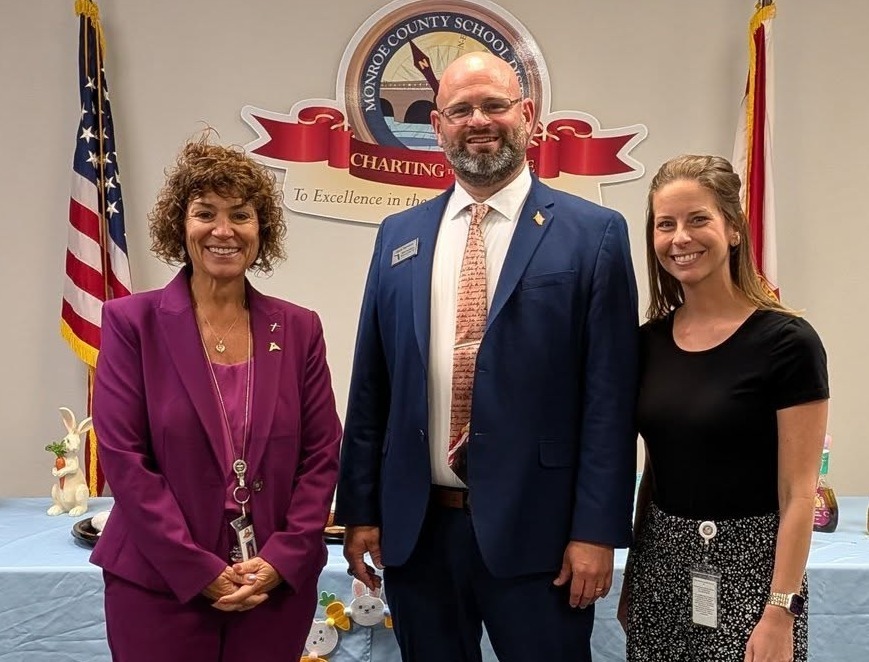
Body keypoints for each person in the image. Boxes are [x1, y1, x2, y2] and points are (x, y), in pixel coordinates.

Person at [335, 52, 639, 662]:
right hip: (419, 532)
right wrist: (360, 511)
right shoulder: (398, 235)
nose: (478, 121)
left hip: (543, 536)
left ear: (527, 114)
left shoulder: (594, 234)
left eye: (494, 105)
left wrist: (596, 531)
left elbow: (610, 399)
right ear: (438, 125)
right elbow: (372, 384)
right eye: (460, 110)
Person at [90, 137, 342, 661]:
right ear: (179, 226)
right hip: (159, 585)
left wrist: (282, 558)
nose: (223, 231)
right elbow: (124, 460)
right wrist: (196, 568)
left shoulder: (299, 329)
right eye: (205, 213)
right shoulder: (131, 323)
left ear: (260, 230)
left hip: (270, 588)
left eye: (240, 215)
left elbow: (321, 456)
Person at [618, 154, 829, 661]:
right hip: (661, 571)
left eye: (698, 219)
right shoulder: (647, 344)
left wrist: (780, 611)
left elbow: (798, 493)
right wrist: (634, 580)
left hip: (757, 575)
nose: (680, 238)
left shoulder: (788, 343)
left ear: (733, 229)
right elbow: (656, 471)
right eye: (665, 224)